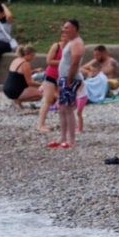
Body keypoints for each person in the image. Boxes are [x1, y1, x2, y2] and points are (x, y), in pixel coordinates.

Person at [50, 19, 85, 150]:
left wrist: (69, 80)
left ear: (75, 28)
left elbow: (75, 63)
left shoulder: (77, 43)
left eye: (67, 28)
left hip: (70, 79)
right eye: (64, 27)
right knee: (62, 109)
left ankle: (71, 140)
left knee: (68, 109)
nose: (64, 30)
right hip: (64, 78)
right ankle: (63, 137)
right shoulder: (70, 42)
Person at [36, 38, 63, 133]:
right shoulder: (56, 46)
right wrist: (63, 62)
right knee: (48, 101)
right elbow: (49, 61)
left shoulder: (71, 47)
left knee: (62, 100)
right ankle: (40, 125)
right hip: (50, 76)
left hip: (62, 77)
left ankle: (63, 122)